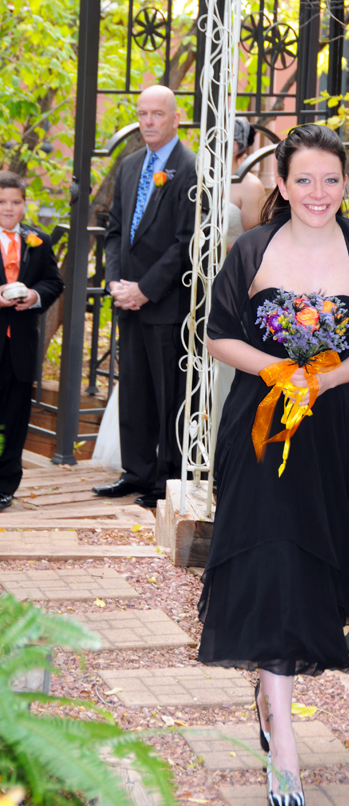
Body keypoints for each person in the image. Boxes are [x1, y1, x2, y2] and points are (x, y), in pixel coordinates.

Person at [197, 125, 349, 805]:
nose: (318, 192)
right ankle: (282, 742)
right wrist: (281, 368)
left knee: (317, 571)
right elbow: (218, 332)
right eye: (304, 179)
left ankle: (267, 689)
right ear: (281, 183)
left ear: (346, 184)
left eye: (331, 179)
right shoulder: (253, 248)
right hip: (263, 432)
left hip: (333, 430)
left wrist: (327, 377)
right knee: (275, 564)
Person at [92, 85, 197, 509]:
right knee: (133, 388)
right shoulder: (132, 163)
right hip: (127, 300)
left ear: (175, 117)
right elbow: (115, 229)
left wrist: (145, 290)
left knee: (168, 394)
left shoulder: (190, 168)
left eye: (157, 114)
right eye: (142, 113)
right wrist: (117, 282)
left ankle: (165, 478)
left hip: (165, 303)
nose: (148, 121)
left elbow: (186, 243)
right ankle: (135, 472)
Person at [0, 170, 64, 510]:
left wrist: (34, 296)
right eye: (1, 202)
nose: (8, 209)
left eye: (15, 202)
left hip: (20, 347)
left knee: (14, 417)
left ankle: (6, 484)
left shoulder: (38, 240)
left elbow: (54, 282)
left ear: (25, 205)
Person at [227, 117, 266, 251]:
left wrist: (217, 247)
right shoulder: (202, 178)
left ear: (234, 146)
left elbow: (255, 243)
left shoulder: (251, 186)